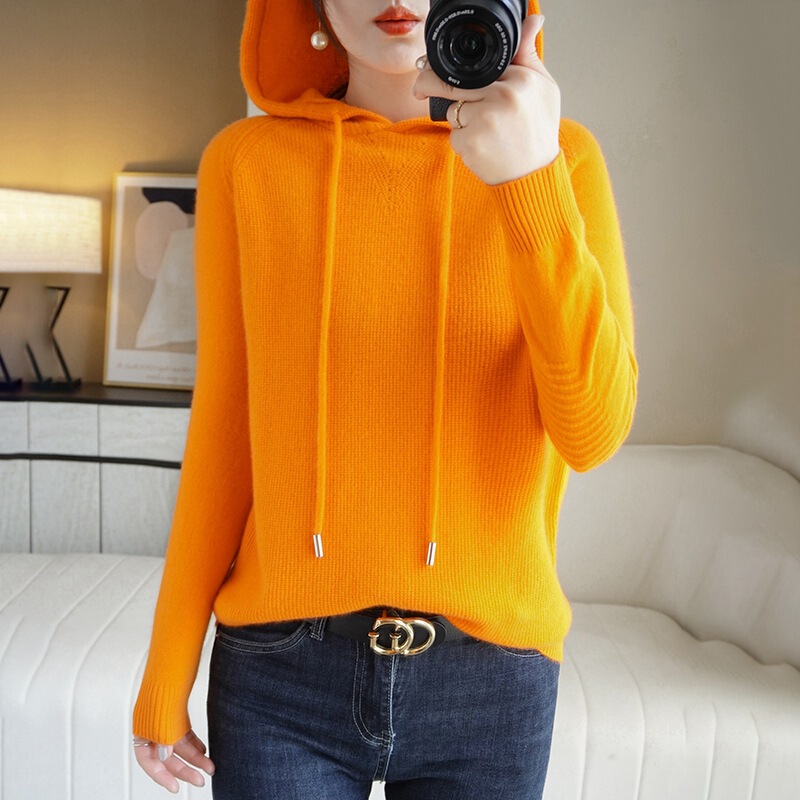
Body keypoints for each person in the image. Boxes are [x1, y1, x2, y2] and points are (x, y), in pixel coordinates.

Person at [131, 0, 638, 797]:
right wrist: (167, 665)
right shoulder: (246, 162)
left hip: (491, 683)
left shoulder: (562, 158)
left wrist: (528, 180)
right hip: (279, 679)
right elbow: (225, 426)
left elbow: (593, 432)